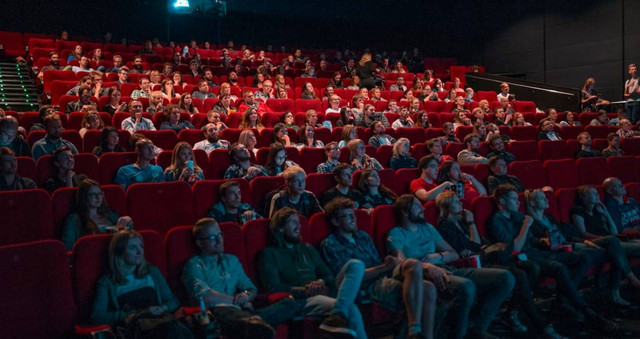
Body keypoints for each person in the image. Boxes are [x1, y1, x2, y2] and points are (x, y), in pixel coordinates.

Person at [435, 191, 567, 339]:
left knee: (529, 268)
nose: (460, 203)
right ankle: (540, 325)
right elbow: (474, 245)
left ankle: (512, 313)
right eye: (455, 202)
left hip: (488, 257)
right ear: (446, 206)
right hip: (476, 263)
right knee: (519, 274)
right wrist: (472, 225)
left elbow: (476, 244)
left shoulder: (462, 221)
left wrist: (470, 225)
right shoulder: (445, 227)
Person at [488, 185, 619, 333]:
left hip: (537, 252)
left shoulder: (517, 216)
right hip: (522, 258)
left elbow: (531, 240)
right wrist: (525, 226)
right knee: (558, 267)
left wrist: (544, 241)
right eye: (513, 199)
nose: (518, 203)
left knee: (583, 257)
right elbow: (515, 248)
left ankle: (563, 301)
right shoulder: (496, 221)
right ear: (502, 201)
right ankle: (588, 313)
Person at [389, 194, 515, 339]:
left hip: (447, 268)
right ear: (405, 212)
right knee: (467, 286)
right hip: (425, 275)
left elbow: (453, 254)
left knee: (506, 278)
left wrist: (438, 256)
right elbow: (402, 263)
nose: (422, 208)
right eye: (417, 206)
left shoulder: (428, 228)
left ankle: (475, 327)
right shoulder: (396, 233)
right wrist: (428, 267)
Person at [320, 198, 436, 339]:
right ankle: (414, 331)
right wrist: (384, 267)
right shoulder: (331, 243)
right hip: (367, 286)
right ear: (335, 221)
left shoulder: (363, 236)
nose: (353, 219)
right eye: (348, 216)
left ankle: (418, 332)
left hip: (383, 275)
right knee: (426, 289)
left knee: (415, 267)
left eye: (354, 215)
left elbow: (378, 263)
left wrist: (387, 264)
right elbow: (350, 278)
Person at [258, 207, 366, 338]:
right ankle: (338, 313)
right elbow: (273, 287)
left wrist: (320, 282)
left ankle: (337, 314)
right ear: (280, 228)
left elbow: (328, 276)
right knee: (351, 309)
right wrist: (305, 290)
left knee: (356, 265)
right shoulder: (269, 254)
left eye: (299, 222)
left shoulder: (307, 248)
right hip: (303, 299)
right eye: (293, 222)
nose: (298, 226)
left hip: (324, 290)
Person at [527, 187, 640, 306]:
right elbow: (547, 243)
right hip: (564, 249)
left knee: (614, 248)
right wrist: (581, 243)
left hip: (576, 243)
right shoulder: (531, 222)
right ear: (532, 202)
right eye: (542, 198)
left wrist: (583, 242)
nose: (547, 200)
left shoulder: (549, 217)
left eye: (546, 197)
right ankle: (622, 287)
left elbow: (566, 236)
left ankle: (619, 291)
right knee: (614, 248)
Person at [182, 218, 294, 338]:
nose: (219, 240)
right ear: (199, 243)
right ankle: (254, 323)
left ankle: (255, 321)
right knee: (224, 312)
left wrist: (246, 295)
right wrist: (235, 300)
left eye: (220, 235)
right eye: (212, 238)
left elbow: (251, 288)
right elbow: (203, 296)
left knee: (289, 303)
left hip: (241, 311)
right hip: (217, 312)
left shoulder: (232, 260)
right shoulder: (194, 265)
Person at [91, 231, 194, 339]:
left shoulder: (152, 272)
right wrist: (135, 314)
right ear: (120, 252)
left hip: (161, 321)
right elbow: (97, 316)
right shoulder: (107, 282)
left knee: (174, 327)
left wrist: (162, 308)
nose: (139, 251)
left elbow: (173, 301)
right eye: (132, 247)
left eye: (141, 246)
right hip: (135, 328)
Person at [60, 179, 132, 250]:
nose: (98, 197)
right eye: (93, 194)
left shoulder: (110, 216)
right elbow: (68, 247)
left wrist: (128, 221)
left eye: (99, 193)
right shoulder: (74, 219)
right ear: (84, 197)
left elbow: (128, 236)